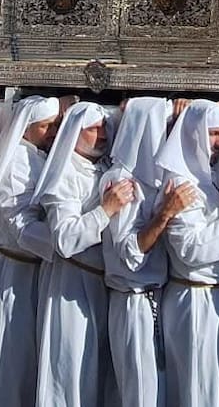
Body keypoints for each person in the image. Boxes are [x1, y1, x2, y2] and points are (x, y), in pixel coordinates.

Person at [31, 100, 131, 407]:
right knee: (70, 373)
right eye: (93, 129)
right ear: (74, 132)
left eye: (105, 129)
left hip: (103, 287)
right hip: (70, 286)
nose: (101, 135)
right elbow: (64, 239)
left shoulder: (101, 167)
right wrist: (106, 210)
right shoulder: (62, 175)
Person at [101, 97, 190, 407]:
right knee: (140, 394)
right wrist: (164, 214)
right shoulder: (121, 180)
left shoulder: (151, 180)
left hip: (155, 298)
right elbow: (130, 252)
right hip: (132, 301)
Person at [155, 99, 219, 407]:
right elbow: (190, 248)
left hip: (215, 299)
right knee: (197, 389)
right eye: (213, 134)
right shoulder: (182, 181)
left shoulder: (209, 176)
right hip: (194, 302)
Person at [0, 95, 60, 407]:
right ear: (26, 128)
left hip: (37, 272)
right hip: (14, 273)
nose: (51, 131)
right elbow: (19, 225)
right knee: (10, 360)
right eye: (45, 126)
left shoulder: (38, 156)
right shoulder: (17, 163)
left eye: (55, 125)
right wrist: (65, 241)